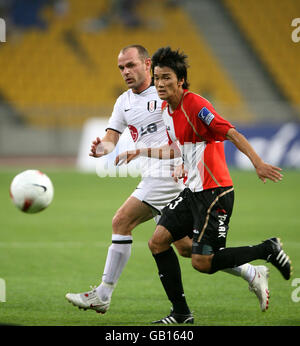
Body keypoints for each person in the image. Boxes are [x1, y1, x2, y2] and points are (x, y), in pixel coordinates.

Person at [66, 45, 271, 323]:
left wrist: (186, 163)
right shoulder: (123, 102)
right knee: (187, 249)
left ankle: (104, 293)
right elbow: (111, 138)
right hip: (154, 175)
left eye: (131, 65)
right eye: (121, 68)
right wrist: (101, 148)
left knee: (121, 222)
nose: (126, 72)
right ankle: (251, 272)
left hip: (170, 177)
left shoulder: (167, 93)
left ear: (146, 64)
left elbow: (194, 133)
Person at [115, 46, 292, 324]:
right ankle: (181, 314)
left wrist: (258, 163)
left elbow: (231, 132)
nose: (160, 84)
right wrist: (141, 152)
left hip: (215, 193)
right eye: (157, 77)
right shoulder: (165, 110)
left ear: (181, 80)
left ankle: (267, 250)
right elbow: (175, 148)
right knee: (158, 242)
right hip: (192, 191)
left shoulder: (197, 105)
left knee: (202, 263)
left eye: (166, 78)